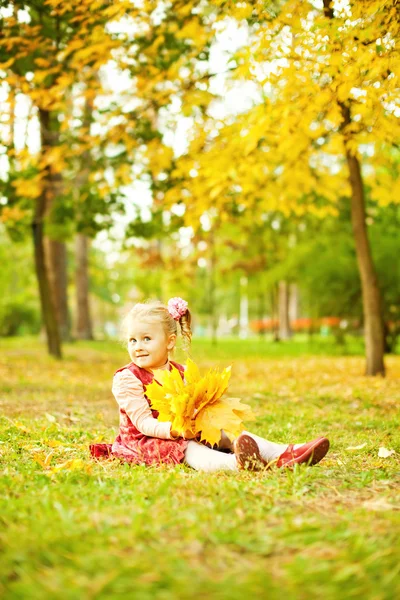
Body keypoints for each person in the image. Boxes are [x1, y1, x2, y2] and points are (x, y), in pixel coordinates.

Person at [90, 298, 330, 472]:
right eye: (132, 340)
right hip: (146, 440)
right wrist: (175, 431)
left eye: (146, 339)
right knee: (189, 448)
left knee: (226, 434)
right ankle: (238, 464)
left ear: (170, 342)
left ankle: (285, 453)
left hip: (184, 428)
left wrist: (205, 419)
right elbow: (143, 423)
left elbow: (194, 406)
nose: (138, 346)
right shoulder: (127, 378)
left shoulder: (180, 372)